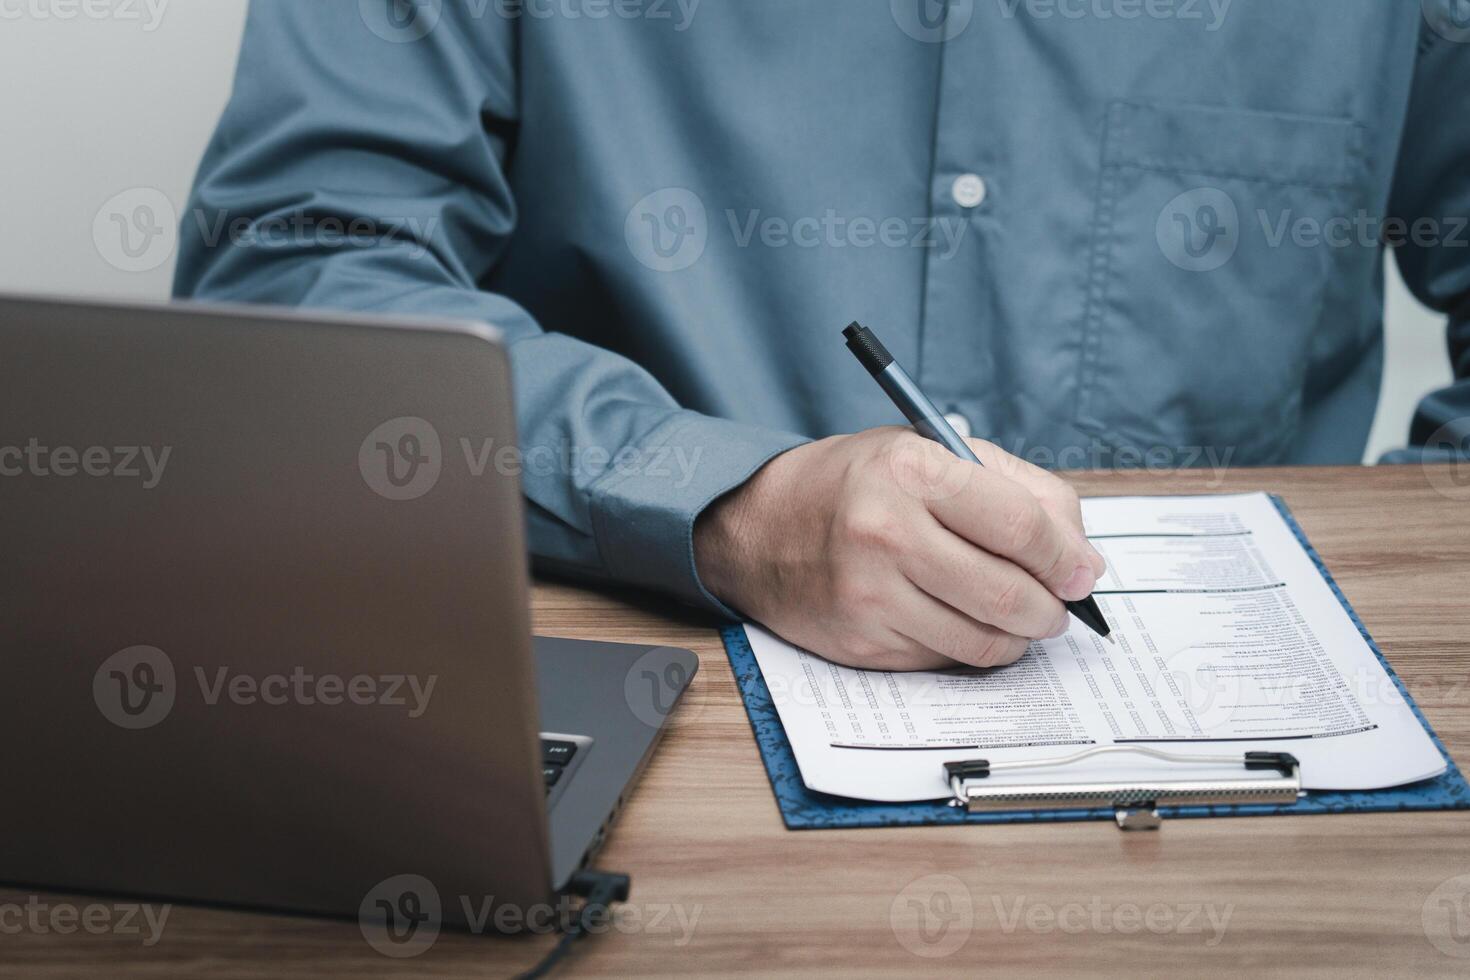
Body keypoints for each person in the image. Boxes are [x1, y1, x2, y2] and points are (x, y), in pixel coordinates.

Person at [175, 1, 1469, 672]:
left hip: (1248, 783)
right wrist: (713, 502)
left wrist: (1389, 613)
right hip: (636, 727)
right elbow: (292, 272)